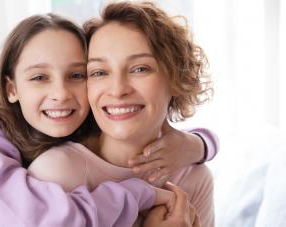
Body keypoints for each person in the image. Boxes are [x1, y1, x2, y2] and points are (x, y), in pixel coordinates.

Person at [0, 12, 217, 227]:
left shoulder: (194, 174)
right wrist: (139, 193)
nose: (61, 94)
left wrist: (199, 144)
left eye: (77, 75)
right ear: (11, 89)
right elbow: (41, 221)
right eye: (100, 72)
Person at [28, 2, 215, 227]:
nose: (117, 90)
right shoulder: (55, 174)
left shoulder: (195, 178)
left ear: (176, 79)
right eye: (99, 72)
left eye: (140, 69)